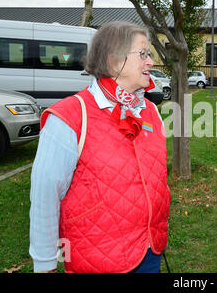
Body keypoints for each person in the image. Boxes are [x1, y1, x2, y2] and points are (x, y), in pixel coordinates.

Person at [29, 21, 170, 273]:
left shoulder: (150, 112)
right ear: (114, 60)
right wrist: (45, 262)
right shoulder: (69, 117)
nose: (150, 62)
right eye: (143, 54)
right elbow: (44, 195)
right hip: (98, 260)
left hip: (149, 251)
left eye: (149, 54)